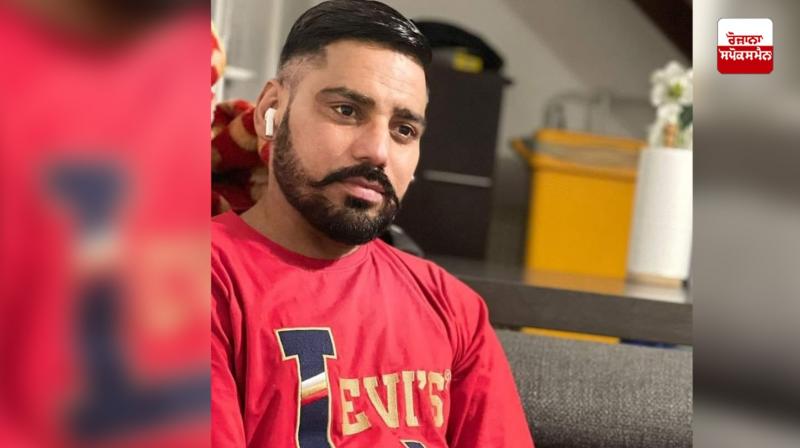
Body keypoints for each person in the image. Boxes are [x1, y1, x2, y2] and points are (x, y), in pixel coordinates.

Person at [211, 1, 534, 446]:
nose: (378, 151)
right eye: (346, 110)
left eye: (404, 130)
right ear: (273, 110)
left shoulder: (455, 309)